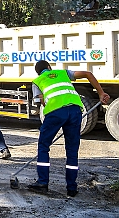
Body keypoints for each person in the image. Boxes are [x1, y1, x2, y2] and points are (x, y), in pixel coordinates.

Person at [27, 60, 110, 197]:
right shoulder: (63, 73)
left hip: (55, 112)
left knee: (43, 146)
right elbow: (88, 74)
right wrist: (101, 93)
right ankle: (72, 188)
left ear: (38, 72)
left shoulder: (37, 81)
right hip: (75, 111)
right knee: (72, 150)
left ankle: (42, 183)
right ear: (49, 67)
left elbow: (41, 102)